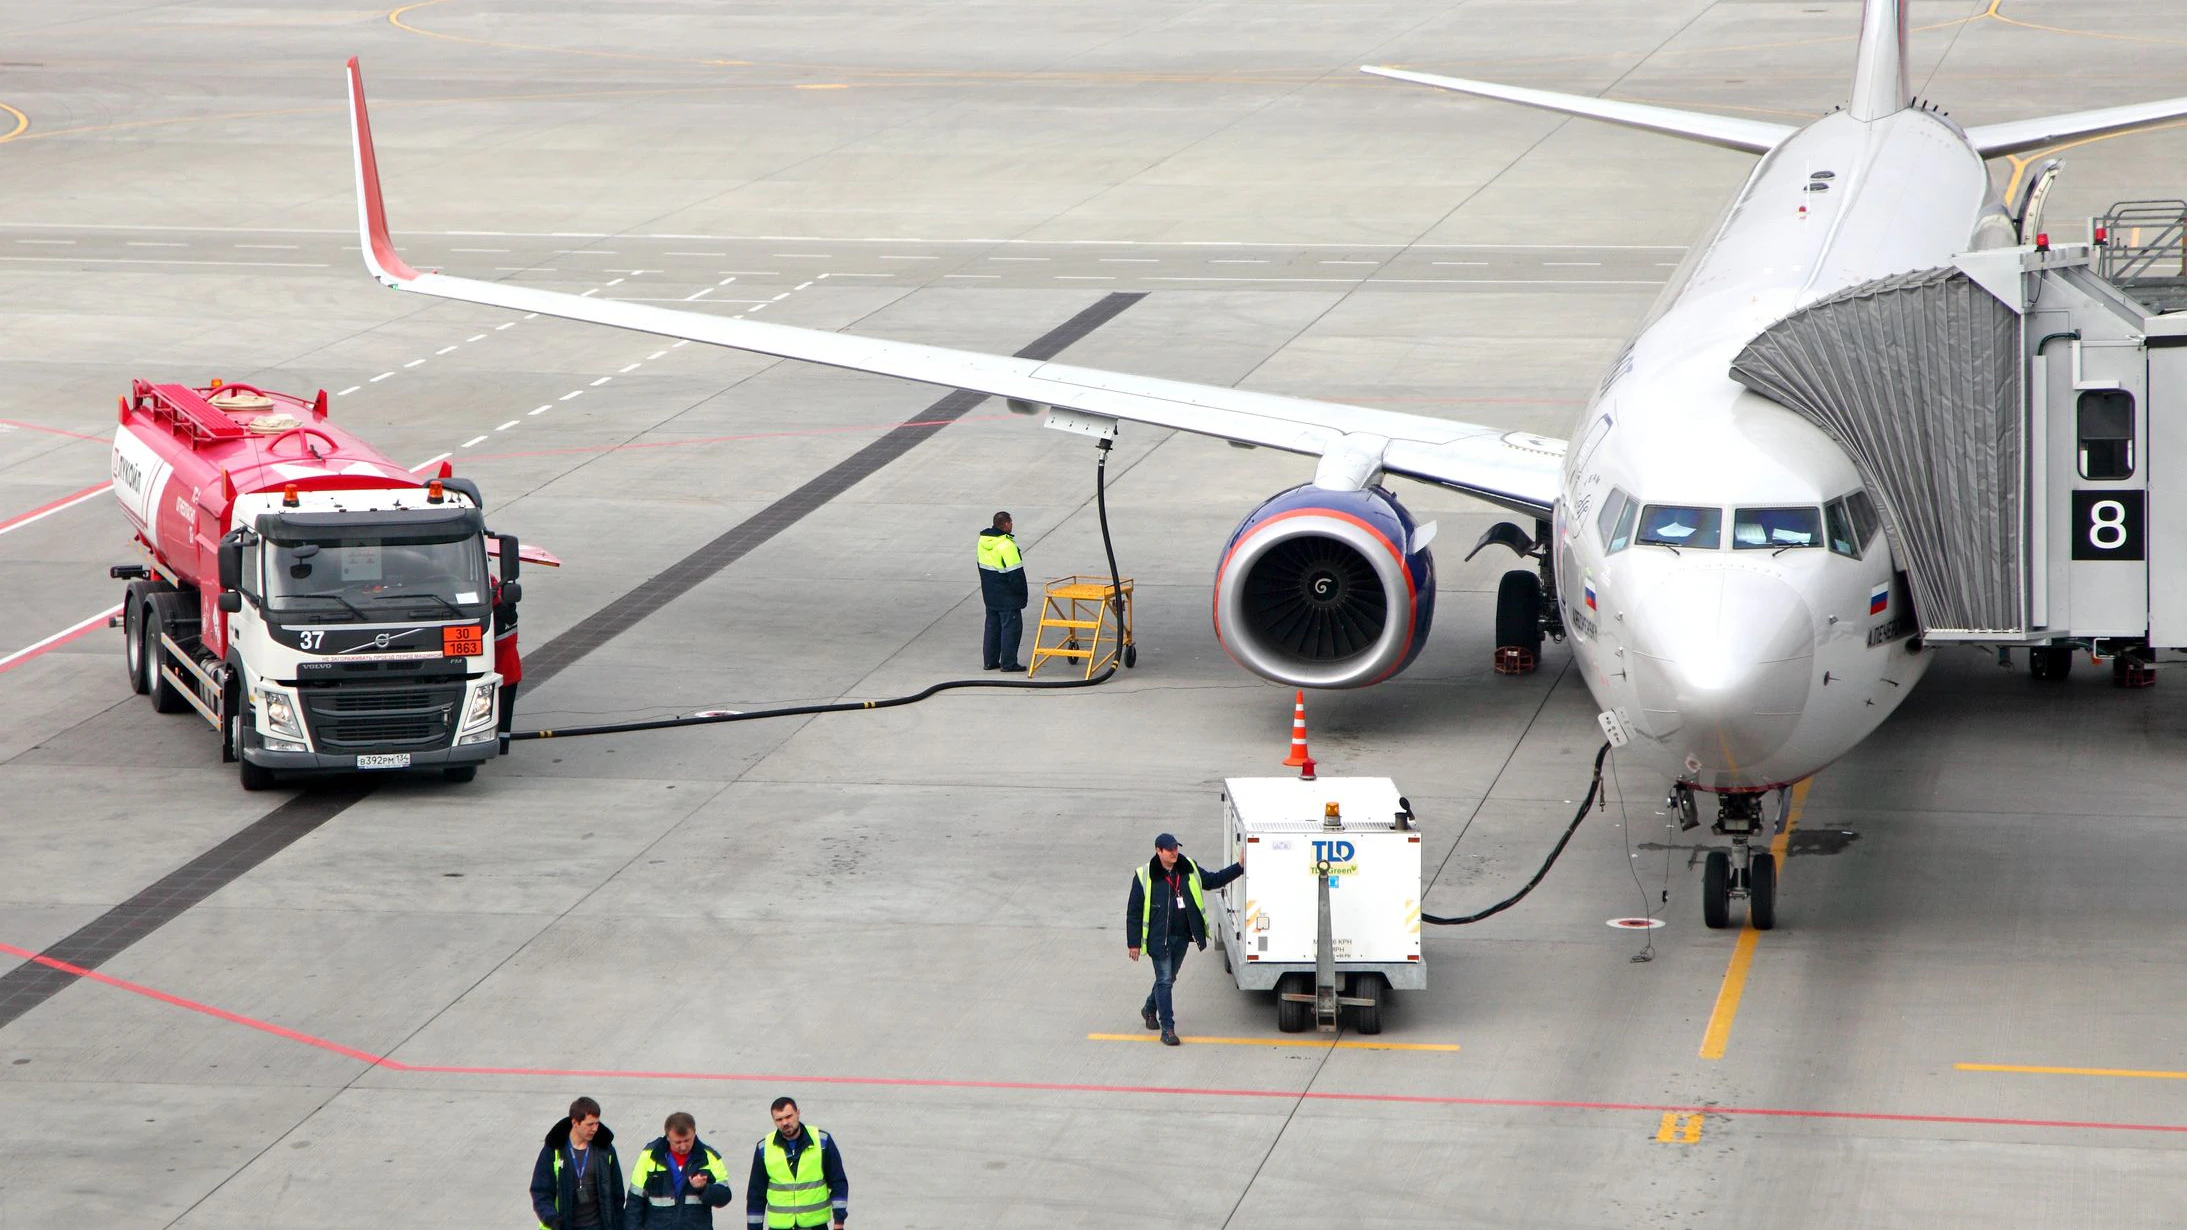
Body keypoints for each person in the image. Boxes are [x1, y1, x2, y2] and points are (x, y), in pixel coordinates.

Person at [1125, 832, 1244, 1046]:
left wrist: (1239, 867)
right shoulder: (1144, 875)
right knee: (1164, 980)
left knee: (1169, 977)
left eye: (1176, 848)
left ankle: (1149, 1008)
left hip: (1181, 937)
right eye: (1169, 849)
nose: (1174, 852)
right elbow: (1134, 912)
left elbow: (1213, 880)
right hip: (1158, 939)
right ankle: (1168, 1029)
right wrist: (1133, 943)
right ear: (1158, 851)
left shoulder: (1189, 867)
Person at [746, 1097, 848, 1230]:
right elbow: (755, 1195)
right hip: (780, 1227)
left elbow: (838, 1182)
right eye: (779, 1119)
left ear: (798, 1113)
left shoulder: (822, 1141)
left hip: (815, 1225)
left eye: (789, 1116)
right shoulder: (764, 1148)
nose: (785, 1122)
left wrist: (839, 1221)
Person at [531, 1096, 628, 1230]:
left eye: (597, 1123)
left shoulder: (605, 1150)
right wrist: (552, 1219)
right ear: (575, 1123)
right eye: (590, 1124)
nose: (595, 1129)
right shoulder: (554, 1150)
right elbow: (541, 1191)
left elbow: (617, 1193)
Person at [626, 1110, 734, 1228]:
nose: (683, 1147)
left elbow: (724, 1196)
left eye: (687, 1140)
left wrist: (704, 1188)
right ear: (667, 1137)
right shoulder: (649, 1157)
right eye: (677, 1142)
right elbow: (635, 1201)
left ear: (694, 1133)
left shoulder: (710, 1158)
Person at [976, 510, 1028, 672]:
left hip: (990, 594)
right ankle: (1008, 663)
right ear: (1006, 524)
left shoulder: (983, 541)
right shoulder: (1007, 545)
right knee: (1011, 629)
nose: (1012, 524)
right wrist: (1021, 595)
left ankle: (990, 661)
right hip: (1007, 597)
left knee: (992, 627)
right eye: (1010, 522)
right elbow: (1016, 575)